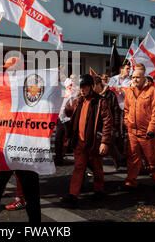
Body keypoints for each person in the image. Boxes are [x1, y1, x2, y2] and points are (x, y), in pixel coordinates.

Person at [0, 56, 40, 223]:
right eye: (7, 69)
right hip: (4, 150)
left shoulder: (31, 89)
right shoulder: (2, 89)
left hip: (25, 151)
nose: (9, 72)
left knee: (32, 197)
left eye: (13, 70)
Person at [60, 74, 113, 208]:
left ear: (91, 87)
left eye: (84, 87)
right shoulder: (78, 101)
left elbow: (108, 122)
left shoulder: (101, 101)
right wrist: (66, 108)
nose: (82, 90)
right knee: (78, 168)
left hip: (94, 142)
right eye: (80, 87)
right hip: (79, 142)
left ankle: (98, 190)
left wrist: (105, 142)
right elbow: (70, 114)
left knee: (97, 167)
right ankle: (73, 195)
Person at [123, 63, 155, 191]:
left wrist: (152, 129)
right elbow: (126, 110)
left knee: (153, 159)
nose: (135, 79)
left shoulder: (153, 91)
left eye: (137, 77)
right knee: (133, 159)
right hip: (133, 132)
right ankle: (131, 181)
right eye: (133, 77)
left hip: (148, 133)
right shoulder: (129, 91)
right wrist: (127, 123)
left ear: (144, 78)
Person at [93, 75, 122, 169]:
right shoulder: (93, 96)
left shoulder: (110, 95)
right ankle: (97, 168)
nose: (92, 89)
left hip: (110, 126)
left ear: (98, 85)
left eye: (93, 86)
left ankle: (118, 159)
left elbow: (116, 110)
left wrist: (115, 125)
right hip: (97, 126)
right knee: (97, 148)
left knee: (111, 146)